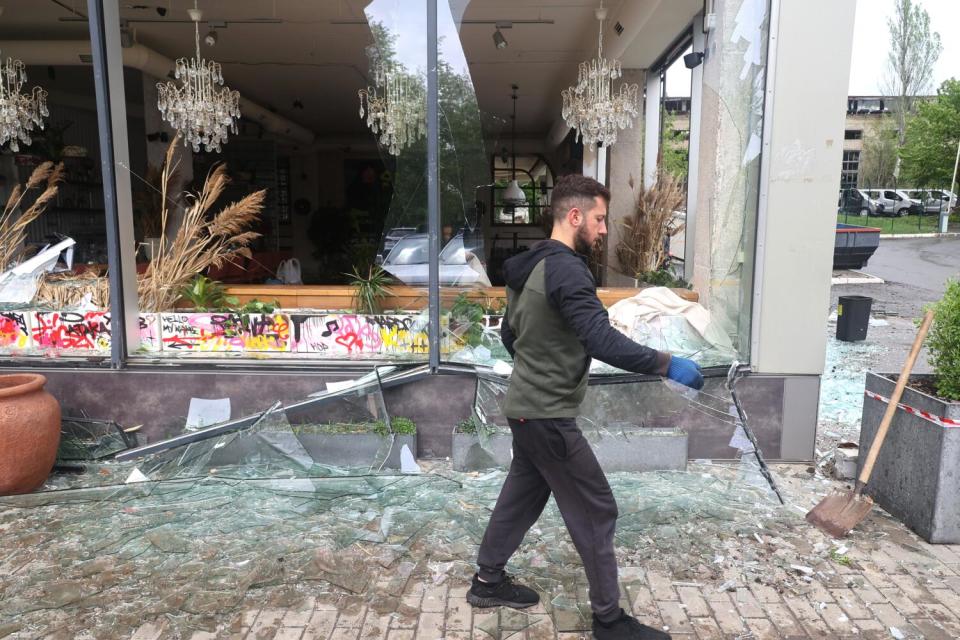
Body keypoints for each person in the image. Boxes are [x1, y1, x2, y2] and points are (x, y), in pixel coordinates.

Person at [466, 174, 703, 640]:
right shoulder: (569, 270)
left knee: (522, 496)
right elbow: (600, 338)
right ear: (573, 216)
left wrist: (541, 364)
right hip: (548, 414)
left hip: (526, 407)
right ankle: (609, 621)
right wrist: (666, 363)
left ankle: (487, 581)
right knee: (597, 508)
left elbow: (511, 335)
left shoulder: (526, 268)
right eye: (598, 219)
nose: (602, 230)